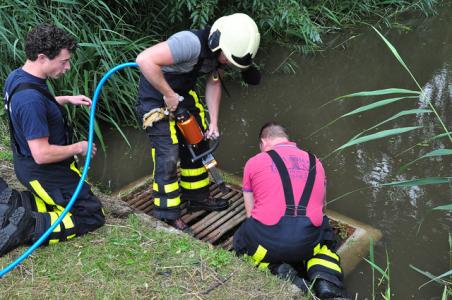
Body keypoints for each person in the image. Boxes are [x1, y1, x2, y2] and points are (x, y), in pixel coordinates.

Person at [135, 13, 261, 230]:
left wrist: (214, 123)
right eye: (227, 59)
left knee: (198, 141)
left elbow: (214, 83)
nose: (226, 63)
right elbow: (144, 60)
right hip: (156, 95)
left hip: (183, 93)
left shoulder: (218, 54)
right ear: (217, 43)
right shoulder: (189, 43)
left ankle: (197, 197)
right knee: (168, 153)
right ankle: (167, 213)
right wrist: (168, 94)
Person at [0, 24, 105, 256]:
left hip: (30, 167)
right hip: (42, 170)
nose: (67, 67)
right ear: (42, 57)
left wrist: (66, 99)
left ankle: (17, 203)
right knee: (91, 215)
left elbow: (37, 109)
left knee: (78, 202)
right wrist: (79, 147)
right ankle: (26, 227)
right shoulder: (29, 100)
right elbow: (42, 153)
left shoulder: (19, 76)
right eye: (63, 61)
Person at [233, 122, 347, 298]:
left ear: (264, 142)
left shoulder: (254, 162)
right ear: (287, 140)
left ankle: (276, 269)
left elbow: (251, 214)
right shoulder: (315, 161)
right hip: (309, 242)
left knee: (242, 241)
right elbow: (322, 206)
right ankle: (326, 279)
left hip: (268, 244)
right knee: (324, 243)